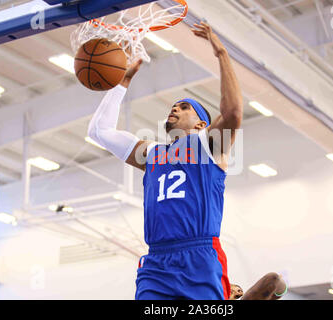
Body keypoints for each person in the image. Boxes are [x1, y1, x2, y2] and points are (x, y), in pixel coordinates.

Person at [87, 22, 243, 300]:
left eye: (186, 108)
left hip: (199, 256)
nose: (175, 107)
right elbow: (99, 132)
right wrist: (122, 82)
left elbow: (232, 110)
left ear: (200, 125)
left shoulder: (209, 145)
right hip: (156, 262)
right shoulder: (153, 154)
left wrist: (221, 52)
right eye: (175, 105)